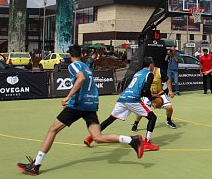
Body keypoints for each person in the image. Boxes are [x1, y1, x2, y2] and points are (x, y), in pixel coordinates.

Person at [17, 45, 143, 175]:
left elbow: (81, 78)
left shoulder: (74, 65)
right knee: (97, 137)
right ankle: (131, 140)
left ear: (70, 55)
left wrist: (68, 96)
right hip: (91, 104)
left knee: (52, 130)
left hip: (78, 105)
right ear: (81, 54)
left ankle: (36, 165)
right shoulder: (86, 66)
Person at [83, 57, 160, 151]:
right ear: (150, 65)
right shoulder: (149, 74)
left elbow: (139, 90)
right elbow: (146, 90)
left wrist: (150, 95)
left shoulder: (138, 73)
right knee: (152, 117)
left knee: (110, 119)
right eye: (153, 64)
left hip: (123, 98)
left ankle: (90, 138)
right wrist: (152, 99)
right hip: (132, 99)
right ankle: (147, 143)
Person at [132, 64, 177, 131]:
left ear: (152, 65)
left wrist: (170, 91)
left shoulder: (159, 71)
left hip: (159, 93)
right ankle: (135, 123)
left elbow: (167, 80)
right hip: (148, 94)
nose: (148, 67)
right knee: (141, 110)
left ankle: (168, 121)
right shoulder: (144, 72)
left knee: (169, 107)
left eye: (149, 65)